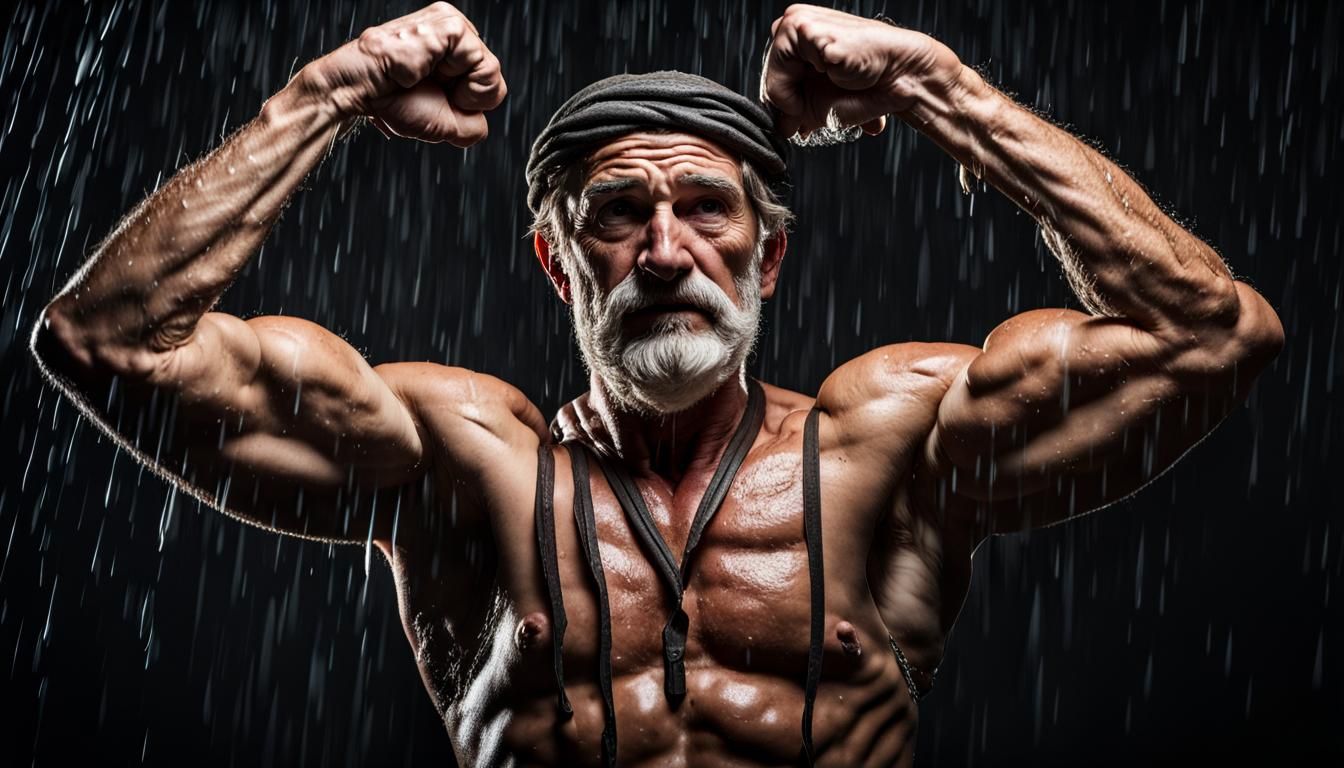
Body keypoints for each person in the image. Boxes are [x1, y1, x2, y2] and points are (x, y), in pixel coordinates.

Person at [28, 3, 1284, 766]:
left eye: (707, 210)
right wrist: (330, 92)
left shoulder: (889, 446)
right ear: (556, 257)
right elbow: (109, 343)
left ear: (771, 254)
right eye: (618, 215)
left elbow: (1212, 336)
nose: (669, 251)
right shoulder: (459, 463)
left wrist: (935, 89)